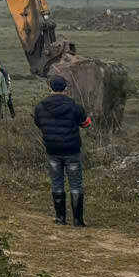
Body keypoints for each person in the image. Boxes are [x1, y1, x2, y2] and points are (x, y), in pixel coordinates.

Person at [32, 75, 92, 226]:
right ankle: (78, 221)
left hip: (52, 150)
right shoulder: (74, 106)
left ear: (50, 88)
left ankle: (60, 218)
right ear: (65, 88)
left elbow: (39, 123)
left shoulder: (40, 107)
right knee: (75, 184)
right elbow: (86, 124)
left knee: (56, 183)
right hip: (72, 150)